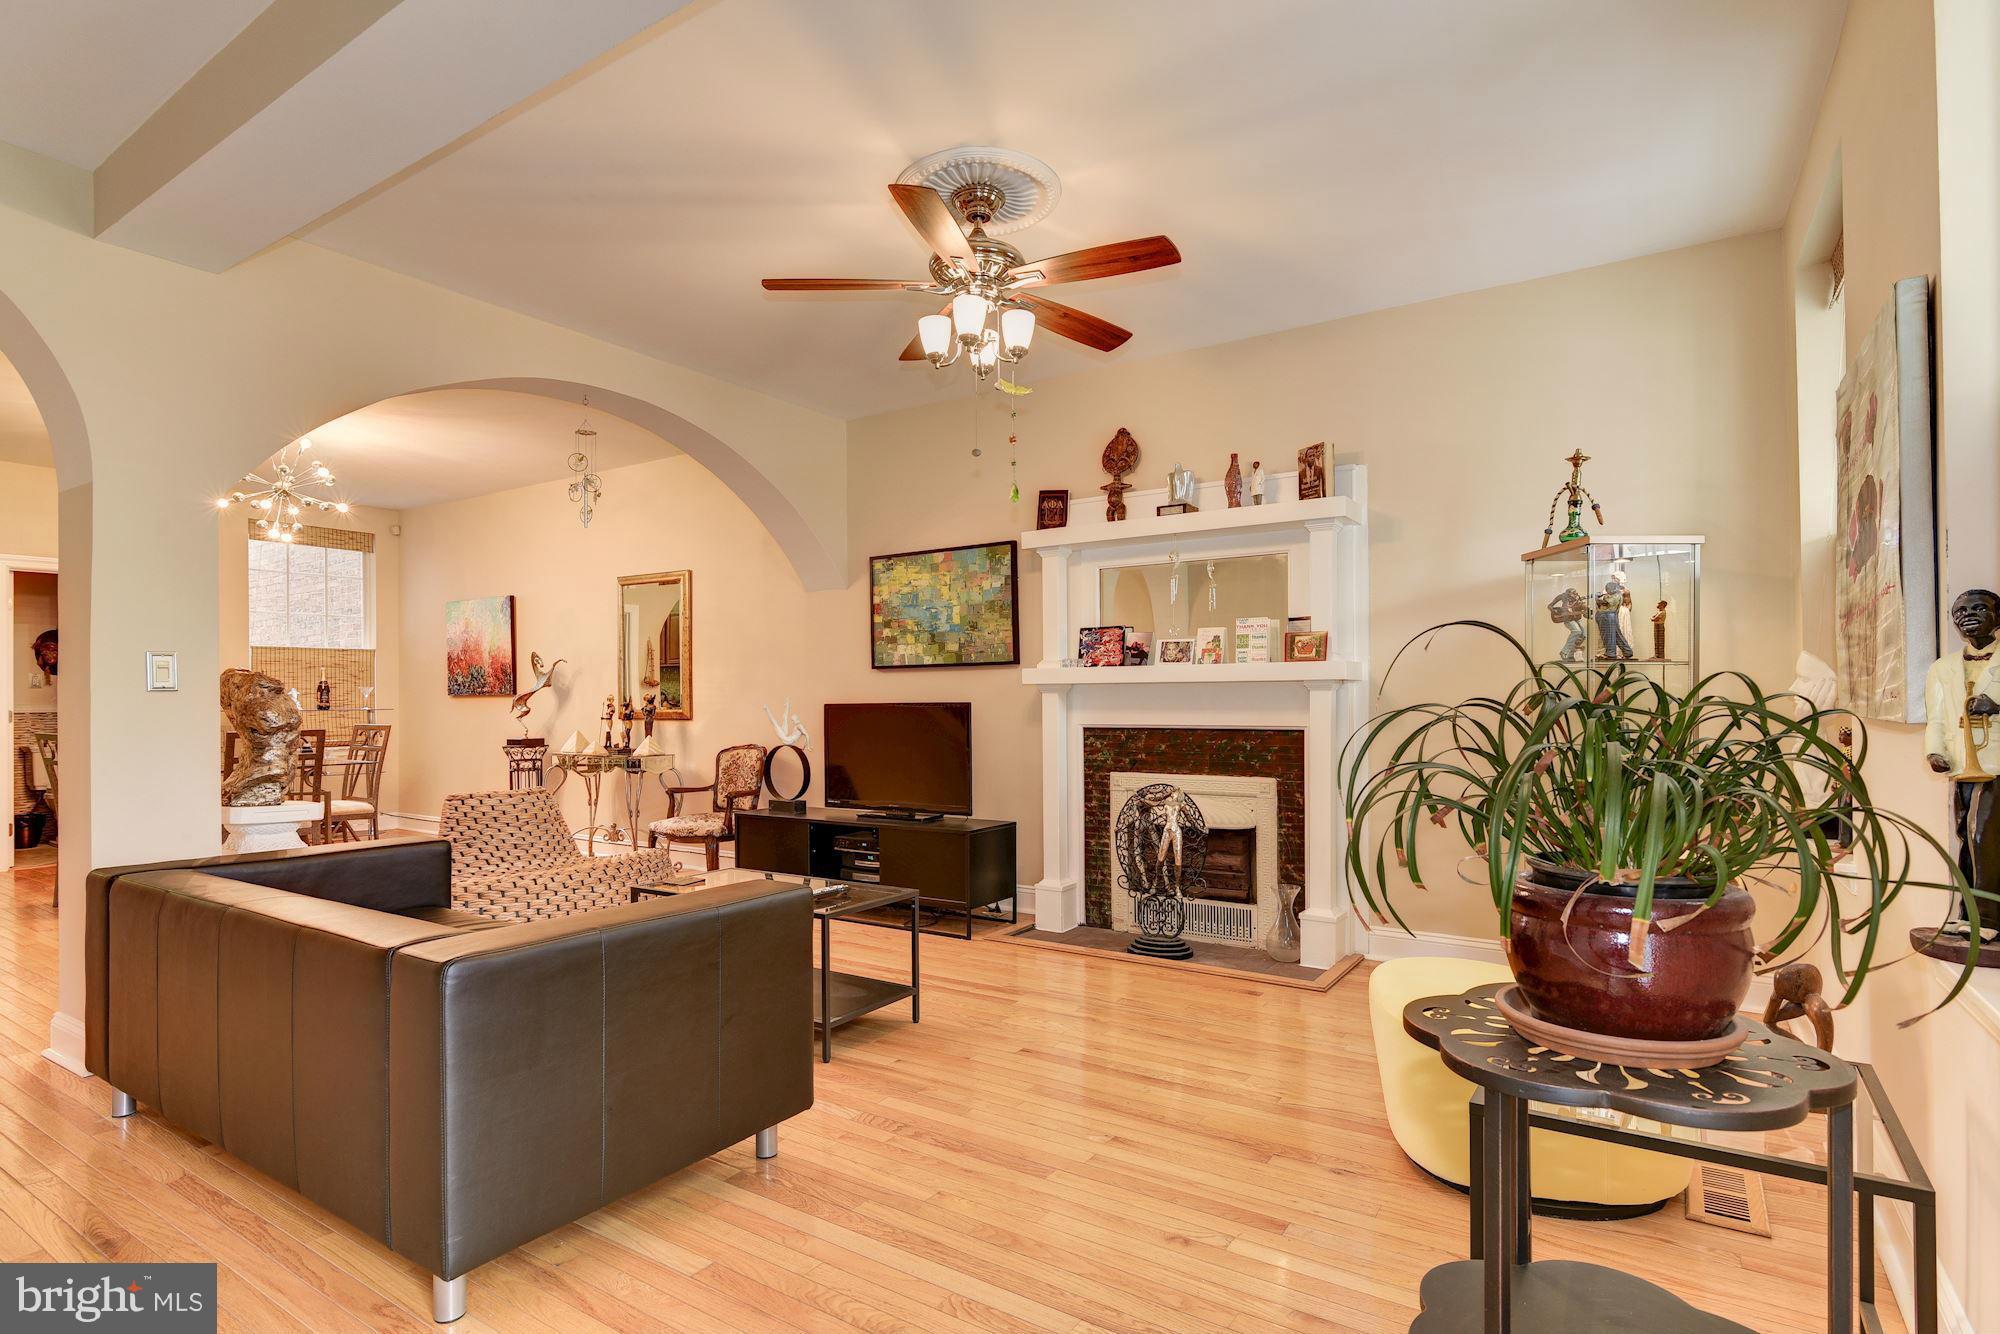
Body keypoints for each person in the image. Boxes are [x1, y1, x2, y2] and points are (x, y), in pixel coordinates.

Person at [1923, 589, 2000, 951]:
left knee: (1984, 838)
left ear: (1997, 617)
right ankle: (1968, 913)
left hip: (1996, 764)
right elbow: (1937, 716)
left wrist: (1996, 706)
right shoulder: (1942, 668)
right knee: (1964, 839)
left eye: (1979, 608)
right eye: (1960, 610)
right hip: (1963, 765)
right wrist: (1936, 752)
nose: (1967, 615)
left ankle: (1989, 918)